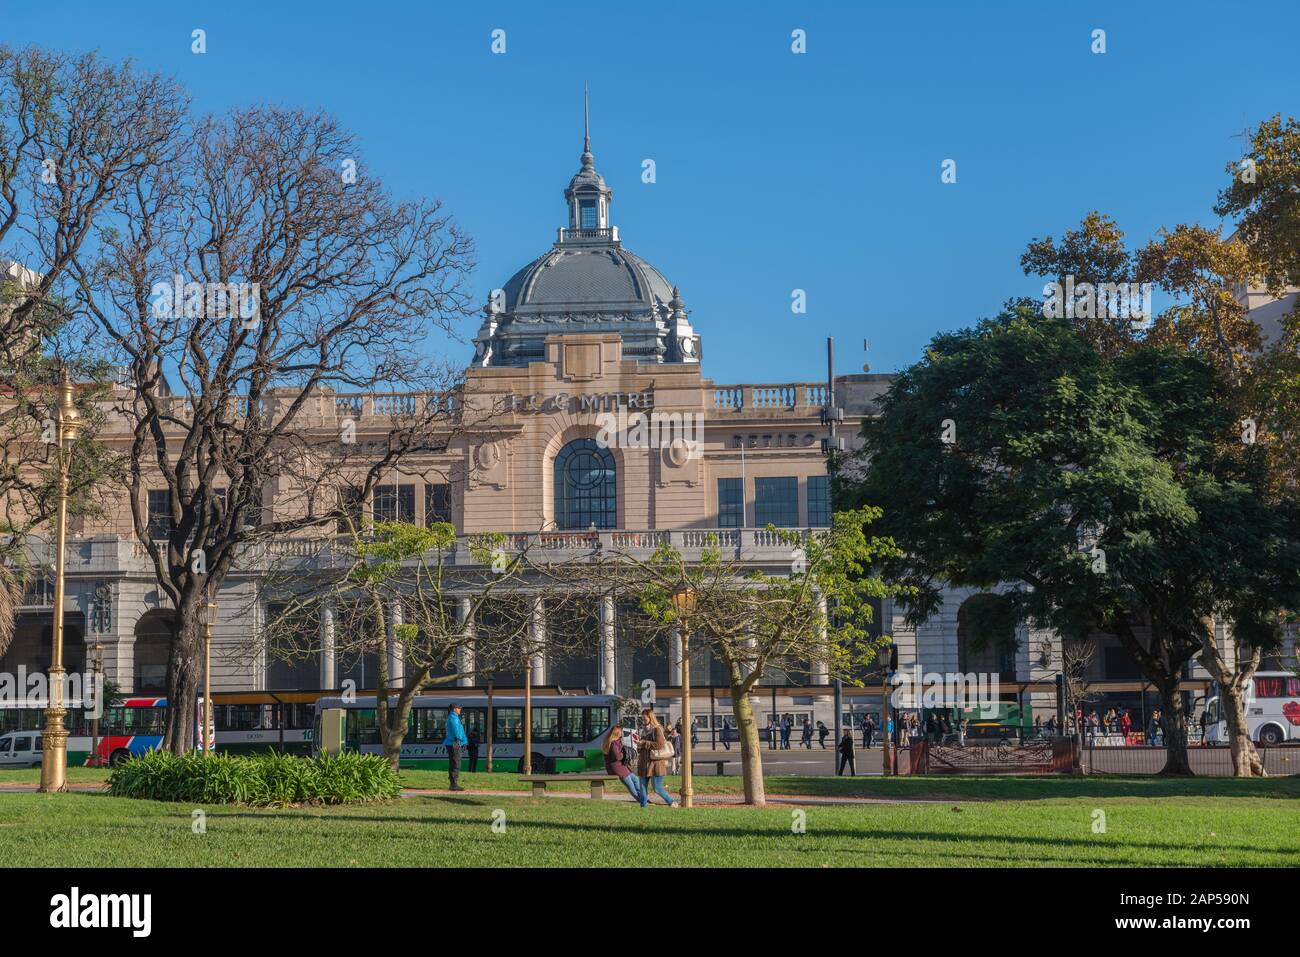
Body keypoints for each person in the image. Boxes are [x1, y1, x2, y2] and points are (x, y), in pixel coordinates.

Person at [635, 709, 676, 807]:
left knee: (657, 788)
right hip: (644, 763)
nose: (643, 721)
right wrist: (639, 746)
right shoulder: (644, 730)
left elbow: (659, 744)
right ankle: (643, 807)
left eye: (645, 718)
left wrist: (644, 743)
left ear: (650, 718)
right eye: (642, 719)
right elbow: (642, 746)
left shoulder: (657, 729)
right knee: (642, 788)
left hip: (655, 764)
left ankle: (671, 802)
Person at [603, 723, 643, 803]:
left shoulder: (616, 742)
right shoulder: (614, 743)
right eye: (621, 731)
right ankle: (641, 800)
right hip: (617, 768)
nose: (622, 733)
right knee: (631, 786)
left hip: (621, 767)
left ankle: (643, 797)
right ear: (617, 733)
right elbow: (617, 757)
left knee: (636, 780)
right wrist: (625, 754)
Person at [444, 702, 468, 791]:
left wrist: (464, 741)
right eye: (459, 708)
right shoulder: (453, 718)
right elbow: (457, 732)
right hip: (455, 743)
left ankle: (453, 783)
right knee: (456, 763)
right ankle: (453, 784)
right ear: (454, 709)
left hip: (455, 743)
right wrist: (463, 741)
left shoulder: (454, 717)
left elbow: (459, 731)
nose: (460, 710)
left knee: (454, 762)